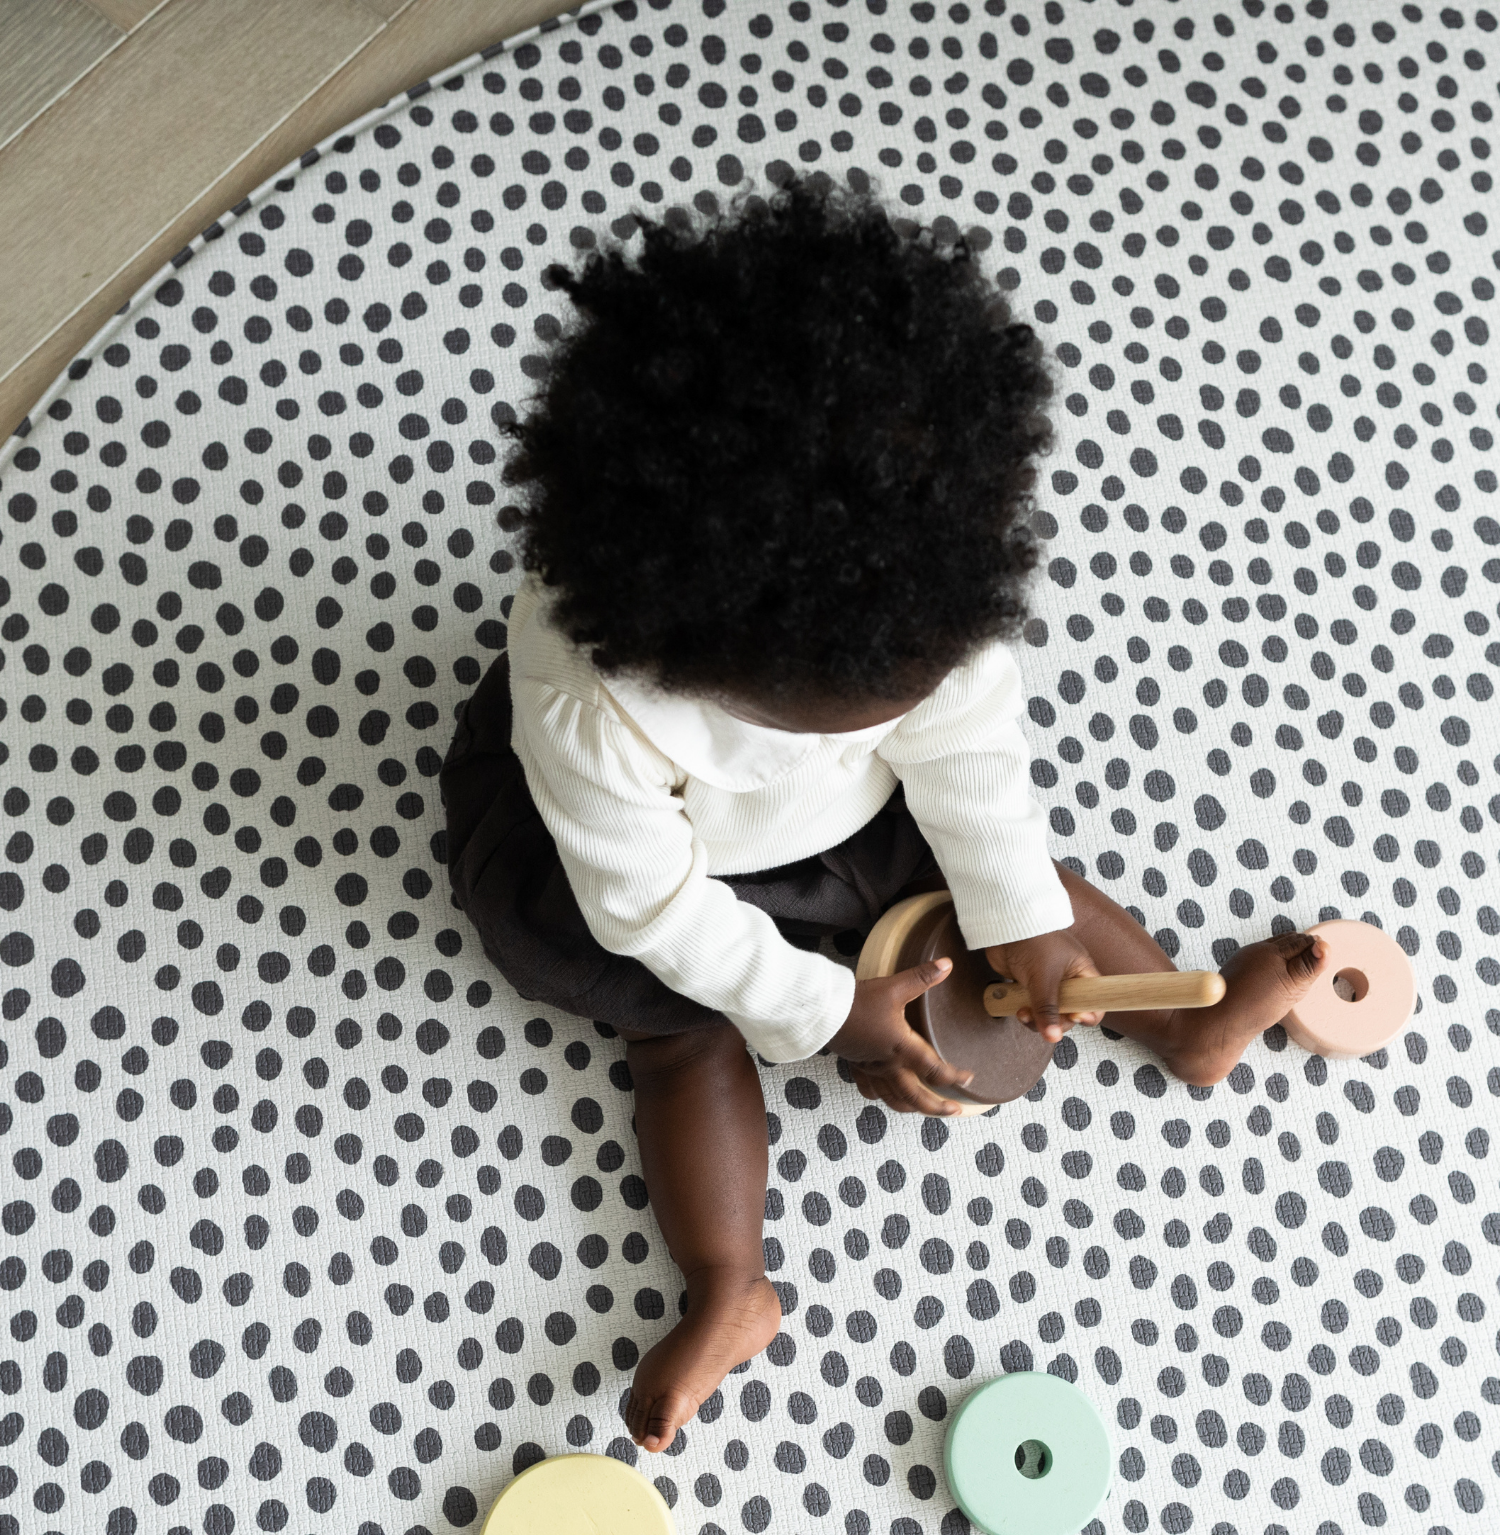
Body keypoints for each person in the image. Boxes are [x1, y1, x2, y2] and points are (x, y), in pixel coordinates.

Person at [440, 171, 1325, 1456]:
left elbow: (965, 754)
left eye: (901, 688)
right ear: (690, 659)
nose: (893, 705)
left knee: (1041, 889)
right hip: (668, 874)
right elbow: (647, 904)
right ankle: (730, 1281)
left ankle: (1188, 1031)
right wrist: (819, 1006)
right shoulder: (597, 704)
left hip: (854, 821)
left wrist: (1015, 915)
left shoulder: (930, 610)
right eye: (843, 707)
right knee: (680, 1039)